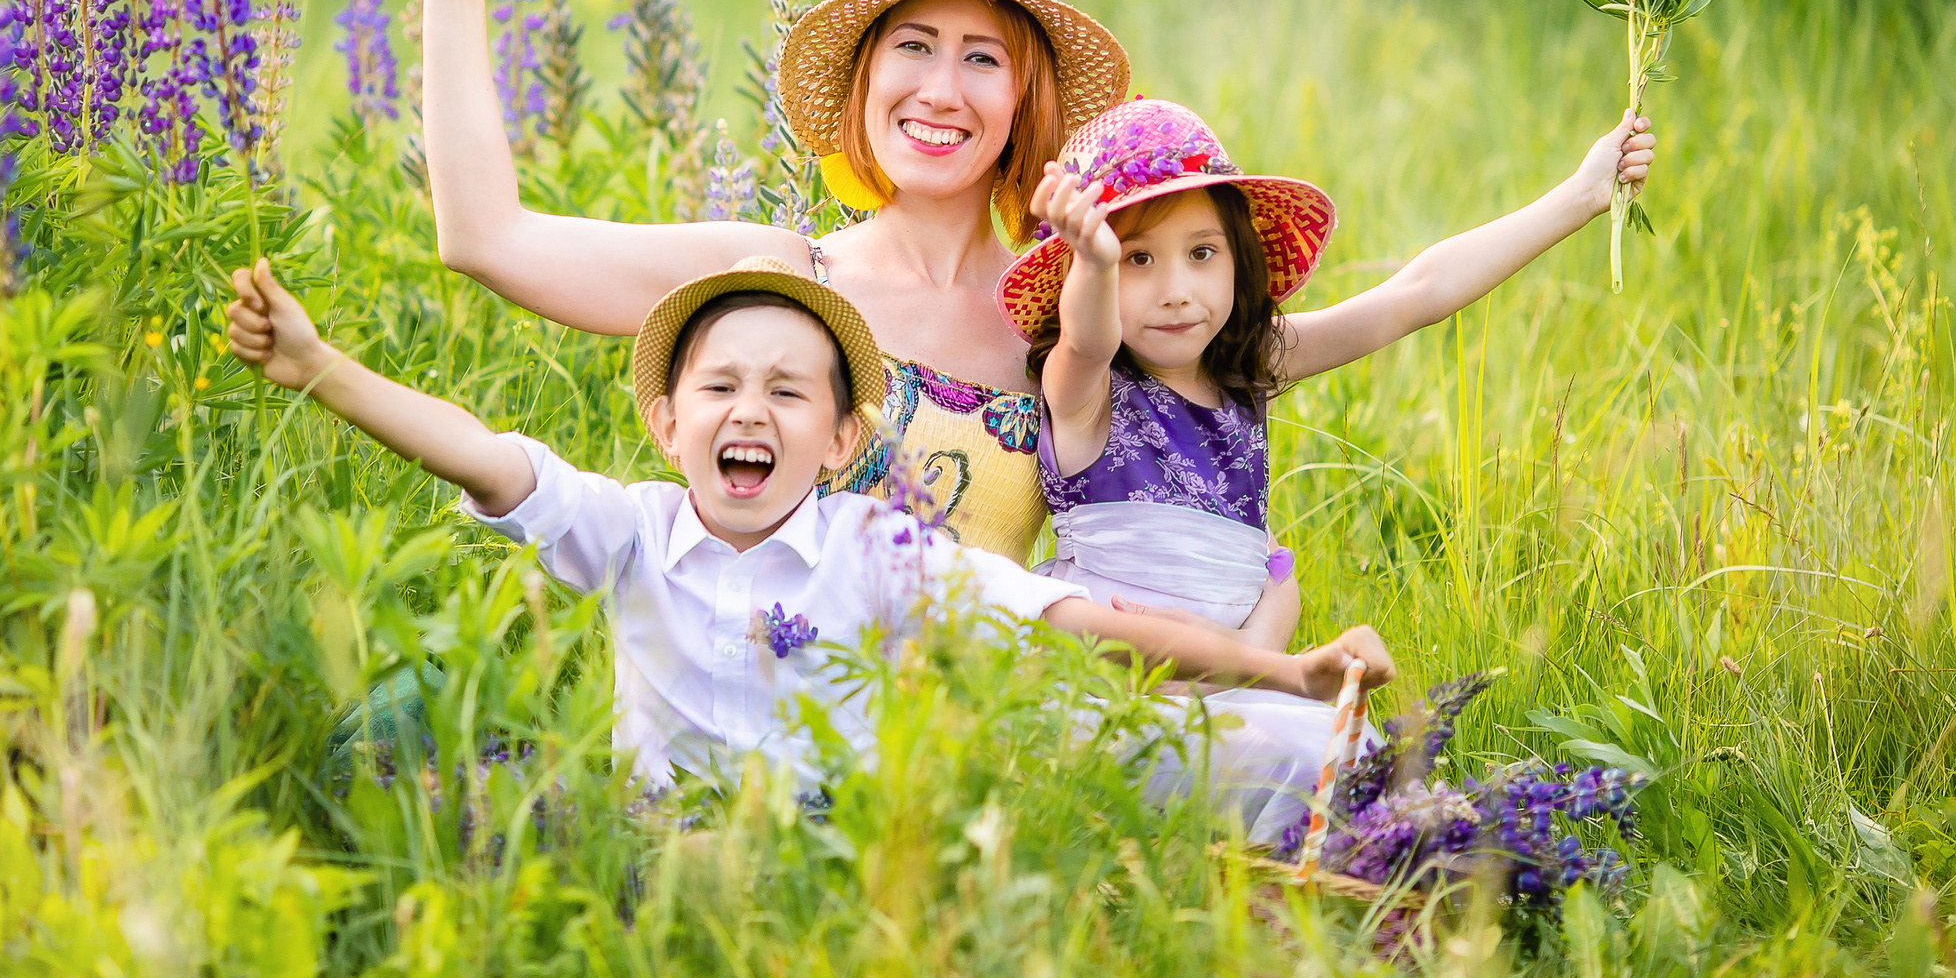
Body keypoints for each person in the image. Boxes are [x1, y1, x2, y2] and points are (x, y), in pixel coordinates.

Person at [220, 252, 1395, 805]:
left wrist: (1276, 667)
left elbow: (1080, 619)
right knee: (423, 744)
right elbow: (481, 452)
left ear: (840, 442)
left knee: (1301, 753)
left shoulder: (874, 549)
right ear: (666, 421)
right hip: (664, 837)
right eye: (722, 386)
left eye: (790, 393)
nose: (751, 410)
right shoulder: (628, 530)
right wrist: (323, 368)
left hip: (832, 836)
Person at [396, 0, 1136, 565]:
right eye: (914, 46)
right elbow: (487, 238)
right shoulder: (778, 277)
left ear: (1025, 99)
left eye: (983, 59)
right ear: (865, 80)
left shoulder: (1068, 318)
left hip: (976, 683)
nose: (942, 91)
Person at [1002, 96, 1658, 641]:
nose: (1177, 288)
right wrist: (1094, 261)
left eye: (1202, 252)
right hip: (1115, 683)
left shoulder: (1242, 367)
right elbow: (1088, 341)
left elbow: (1414, 295)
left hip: (1235, 684)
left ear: (1239, 259)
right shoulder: (1087, 396)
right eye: (1138, 259)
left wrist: (1581, 194)